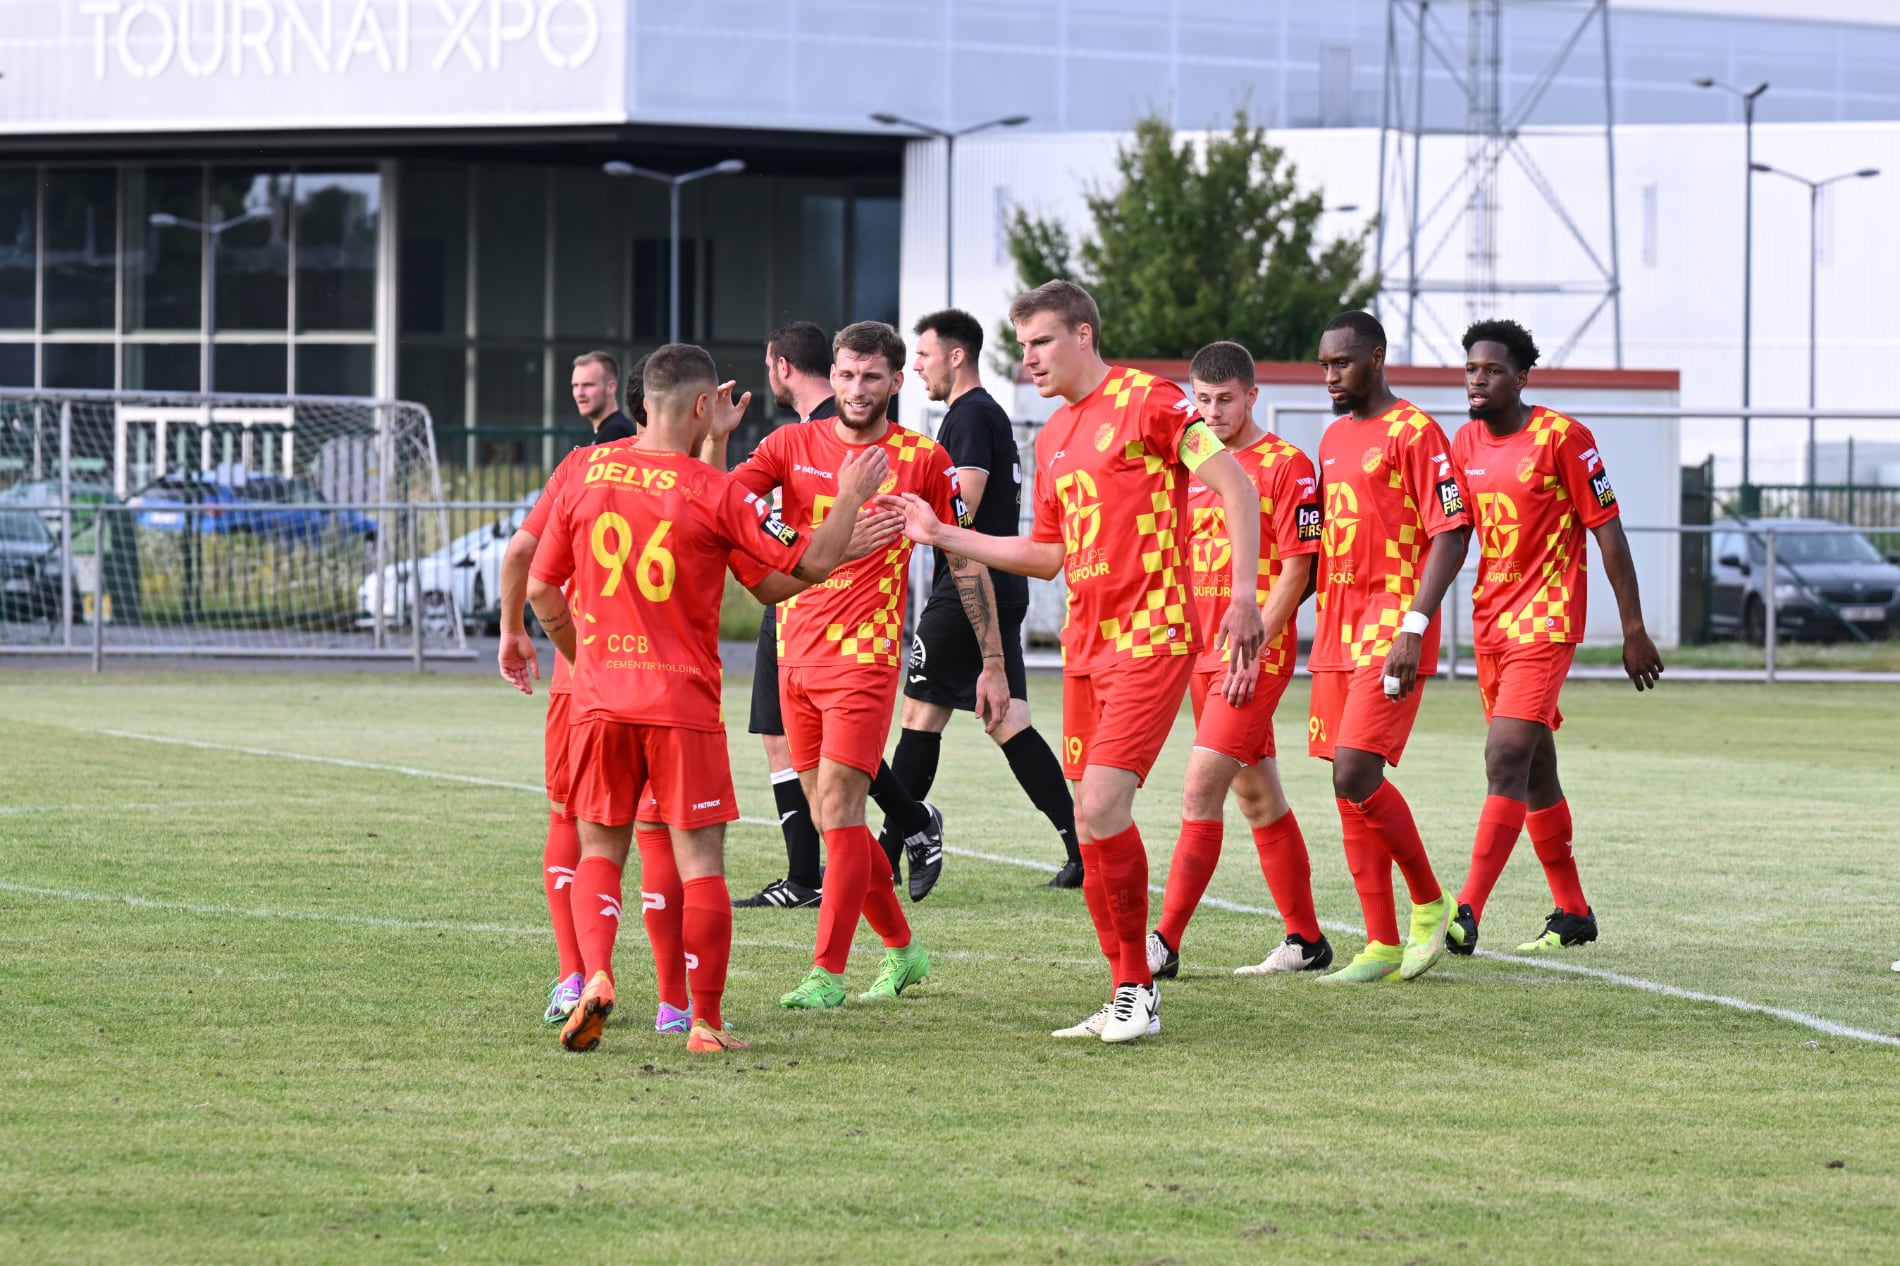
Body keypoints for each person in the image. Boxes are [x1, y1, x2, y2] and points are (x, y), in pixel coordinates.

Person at [886, 280, 1266, 1044]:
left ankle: (1138, 993)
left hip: (1151, 638)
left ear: (1084, 336)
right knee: (1092, 830)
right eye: (1022, 345)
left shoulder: (1152, 402)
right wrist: (942, 535)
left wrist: (1245, 596)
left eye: (1043, 343)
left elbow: (1237, 486)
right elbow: (1048, 554)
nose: (1028, 358)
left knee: (1097, 810)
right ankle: (1124, 988)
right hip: (1085, 652)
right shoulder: (1054, 434)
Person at [521, 341, 892, 1053]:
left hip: (599, 700)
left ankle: (596, 974)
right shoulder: (720, 492)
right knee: (701, 865)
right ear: (701, 405)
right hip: (681, 706)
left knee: (600, 848)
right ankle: (705, 1023)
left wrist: (584, 658)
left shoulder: (584, 469)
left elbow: (541, 588)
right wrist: (847, 498)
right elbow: (803, 563)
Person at [729, 321, 988, 1009]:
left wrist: (991, 660)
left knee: (842, 807)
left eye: (871, 376)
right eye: (846, 375)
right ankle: (904, 953)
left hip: (865, 662)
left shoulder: (924, 460)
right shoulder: (789, 445)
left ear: (896, 382)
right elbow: (736, 506)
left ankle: (827, 973)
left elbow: (963, 558)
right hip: (796, 655)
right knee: (830, 822)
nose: (855, 388)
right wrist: (817, 538)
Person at [1446, 319, 1663, 954]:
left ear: (1520, 377)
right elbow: (1454, 534)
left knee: (1504, 756)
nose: (1477, 380)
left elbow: (1609, 530)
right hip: (1490, 621)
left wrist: (1633, 628)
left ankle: (1465, 912)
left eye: (1490, 370)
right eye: (1470, 370)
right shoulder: (1463, 442)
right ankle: (1573, 913)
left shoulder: (1564, 437)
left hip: (1545, 622)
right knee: (1536, 766)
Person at [1141, 341, 1332, 979]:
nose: (1213, 411)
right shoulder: (1193, 460)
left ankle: (1162, 944)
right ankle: (1305, 940)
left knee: (1200, 789)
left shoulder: (1287, 464)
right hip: (1196, 654)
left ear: (1253, 396)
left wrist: (1252, 649)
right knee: (1256, 795)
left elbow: (1299, 571)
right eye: (1203, 399)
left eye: (1226, 400)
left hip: (1253, 657)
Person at [889, 308, 1083, 891]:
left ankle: (891, 846)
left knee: (919, 716)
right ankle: (1083, 844)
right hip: (1002, 583)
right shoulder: (982, 414)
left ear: (955, 356)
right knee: (1009, 719)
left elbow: (960, 511)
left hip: (968, 585)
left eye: (922, 356)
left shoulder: (969, 417)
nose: (917, 367)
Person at [1307, 311, 1472, 984]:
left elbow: (1453, 530)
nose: (1329, 376)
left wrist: (1414, 623)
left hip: (1389, 628)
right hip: (1337, 629)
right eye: (1323, 365)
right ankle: (1377, 942)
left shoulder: (1416, 432)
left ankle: (1431, 904)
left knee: (1356, 772)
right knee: (1344, 789)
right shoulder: (1333, 438)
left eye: (1341, 363)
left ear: (1375, 358)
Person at [496, 352, 649, 1030]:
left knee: (572, 825)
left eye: (591, 383)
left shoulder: (585, 467)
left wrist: (514, 632)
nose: (582, 393)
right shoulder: (700, 479)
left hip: (584, 676)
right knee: (679, 843)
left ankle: (578, 975)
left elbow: (522, 558)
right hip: (675, 684)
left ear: (622, 393)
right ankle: (684, 1008)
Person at [571, 351, 637, 443]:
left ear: (611, 387)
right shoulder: (606, 431)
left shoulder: (615, 432)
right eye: (575, 385)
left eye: (588, 385)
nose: (580, 393)